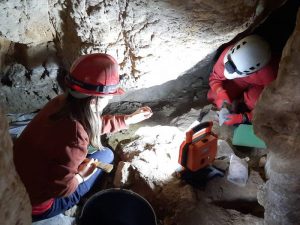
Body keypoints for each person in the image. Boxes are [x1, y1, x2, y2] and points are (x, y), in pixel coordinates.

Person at [13, 53, 153, 221]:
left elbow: (88, 124)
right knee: (107, 156)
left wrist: (127, 120)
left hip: (16, 180)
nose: (110, 99)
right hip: (32, 207)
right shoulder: (76, 137)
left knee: (101, 154)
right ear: (96, 99)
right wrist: (81, 176)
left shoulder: (59, 103)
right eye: (110, 95)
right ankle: (81, 200)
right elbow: (61, 190)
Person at [207, 34, 279, 125]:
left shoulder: (270, 74)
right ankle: (237, 102)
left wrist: (244, 118)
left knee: (254, 103)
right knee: (212, 95)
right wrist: (220, 91)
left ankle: (243, 102)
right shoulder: (229, 55)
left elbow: (272, 107)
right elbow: (215, 78)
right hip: (240, 80)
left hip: (261, 85)